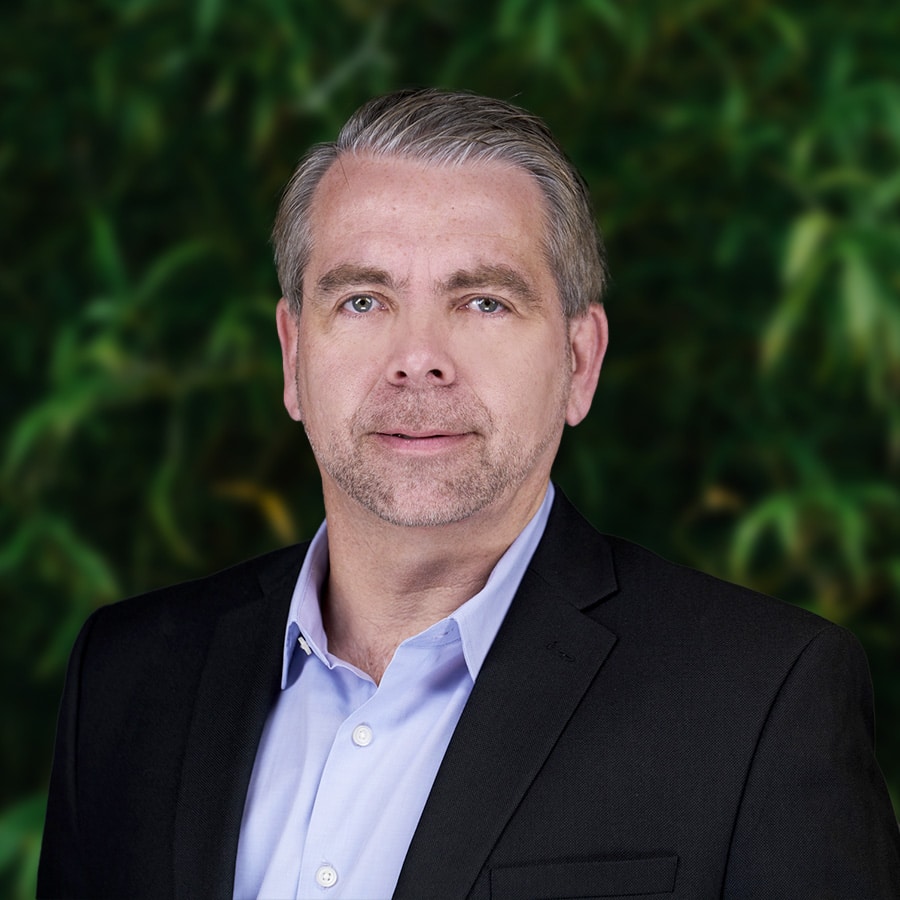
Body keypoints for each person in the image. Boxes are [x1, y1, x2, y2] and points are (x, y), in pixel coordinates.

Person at [38, 88, 900, 899]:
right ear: (293, 355)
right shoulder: (127, 677)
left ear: (579, 360)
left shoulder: (761, 699)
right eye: (365, 300)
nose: (419, 357)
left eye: (484, 302)